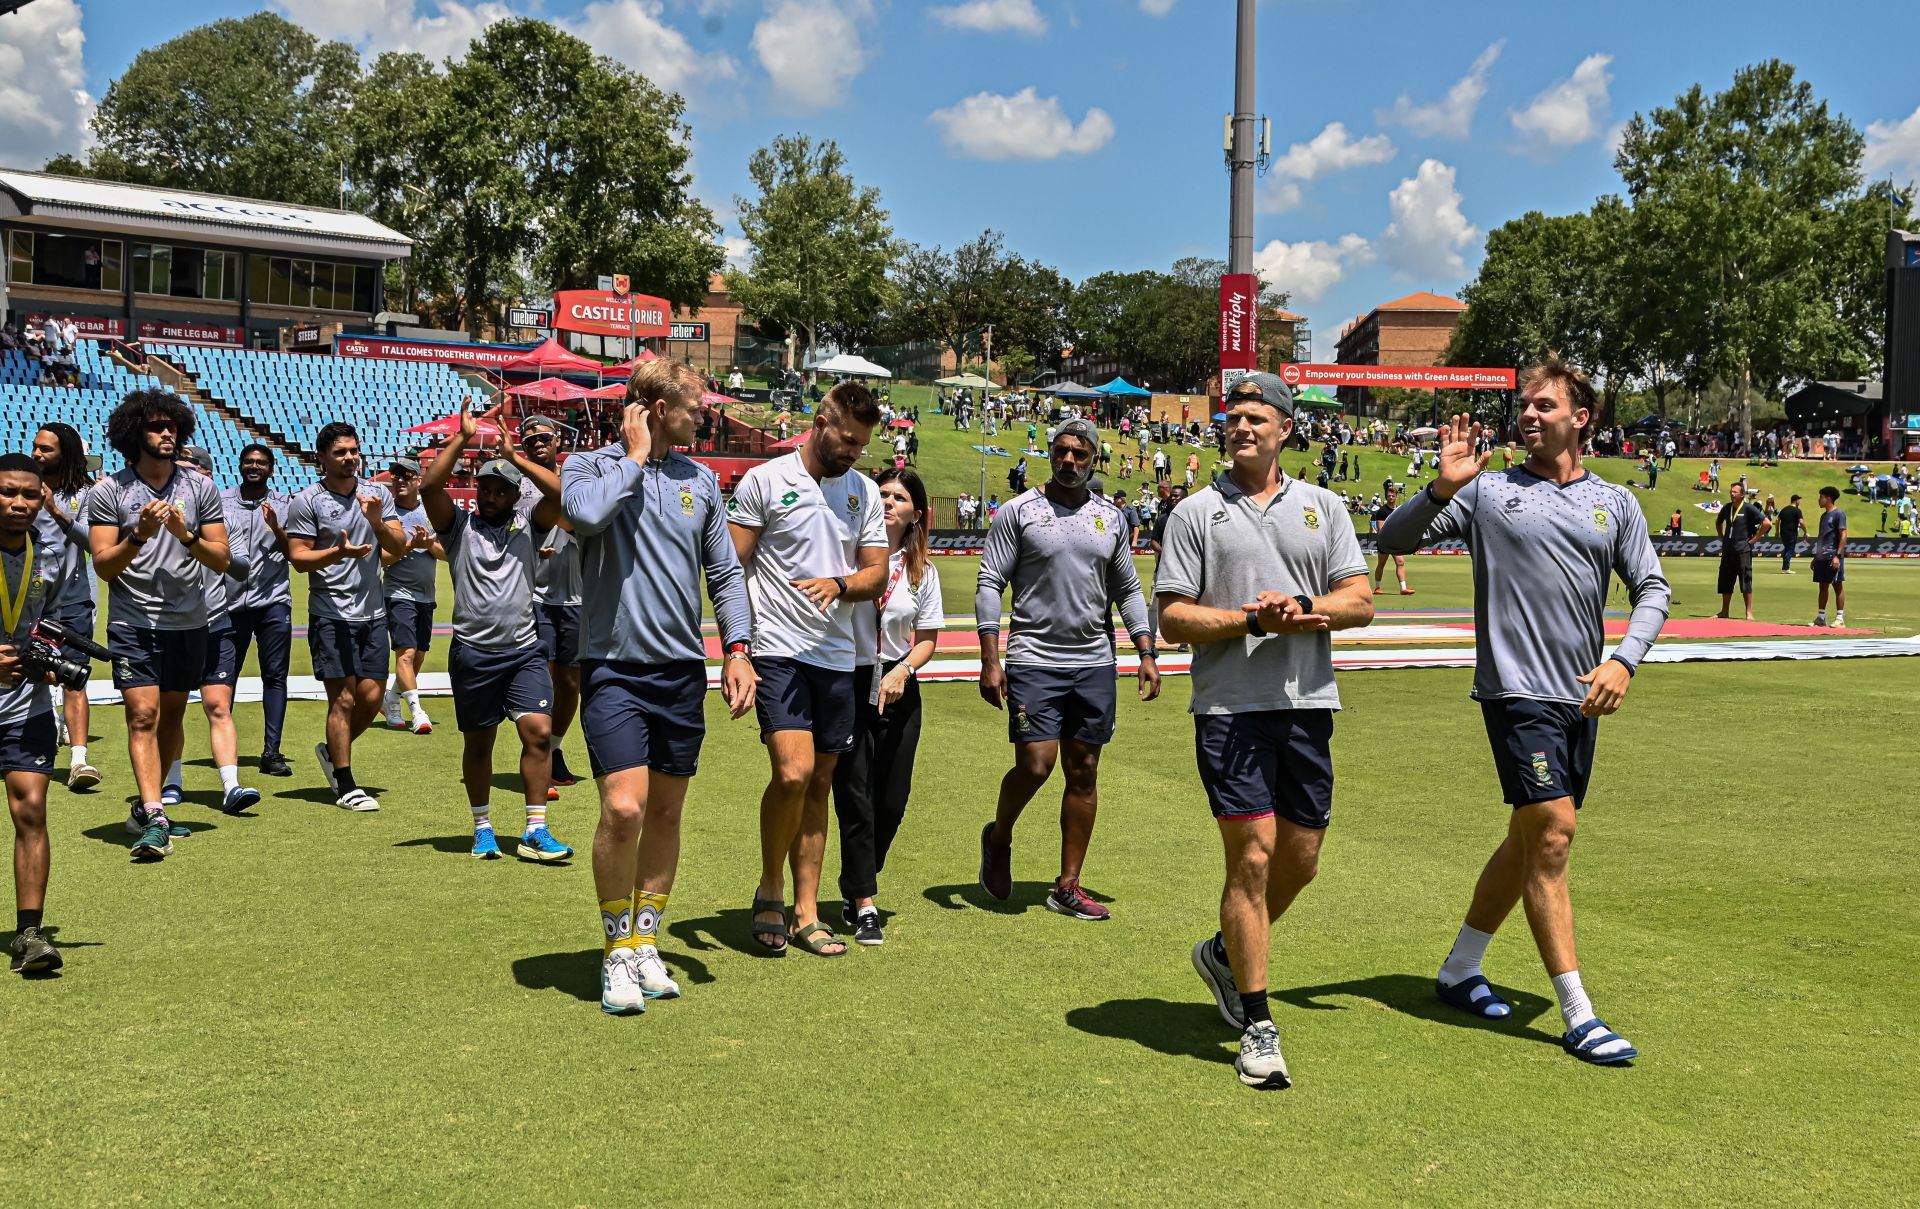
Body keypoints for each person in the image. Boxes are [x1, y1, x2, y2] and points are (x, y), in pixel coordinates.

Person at [1378, 357, 1671, 1067]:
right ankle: (1578, 1012)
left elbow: (1654, 589)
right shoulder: (1486, 492)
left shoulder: (1617, 503)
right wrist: (1438, 488)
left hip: (1583, 697)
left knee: (1529, 838)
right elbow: (1392, 540)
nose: (1529, 415)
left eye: (1545, 405)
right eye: (1525, 406)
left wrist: (1622, 658)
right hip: (1515, 694)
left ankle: (1458, 970)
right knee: (1553, 835)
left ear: (1582, 417)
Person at [1156, 372, 1374, 1091]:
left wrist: (1304, 605)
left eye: (1257, 417)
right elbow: (1175, 617)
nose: (1242, 426)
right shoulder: (1194, 512)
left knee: (1301, 859)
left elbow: (1361, 600)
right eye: (1233, 417)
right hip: (1229, 709)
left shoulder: (1324, 505)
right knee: (1252, 857)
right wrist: (1252, 618)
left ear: (1286, 427)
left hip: (1309, 703)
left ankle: (1222, 952)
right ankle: (1257, 1022)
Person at [564, 359, 755, 1013]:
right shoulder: (588, 468)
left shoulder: (700, 481)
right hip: (613, 668)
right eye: (691, 404)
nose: (702, 413)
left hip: (679, 672)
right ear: (649, 407)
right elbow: (586, 517)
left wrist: (737, 647)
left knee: (667, 813)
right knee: (623, 810)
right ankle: (615, 951)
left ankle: (647, 942)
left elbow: (725, 574)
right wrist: (635, 455)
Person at [976, 418, 1159, 921]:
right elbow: (991, 582)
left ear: (1094, 459)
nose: (1069, 461)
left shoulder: (1111, 518)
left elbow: (1126, 589)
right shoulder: (1020, 512)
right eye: (1061, 451)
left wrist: (1146, 651)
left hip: (1093, 662)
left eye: (1080, 454)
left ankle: (1068, 885)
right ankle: (999, 835)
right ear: (1050, 454)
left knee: (1084, 770)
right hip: (1033, 659)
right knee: (1036, 764)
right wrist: (991, 659)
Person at [729, 382, 888, 958]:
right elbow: (730, 566)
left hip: (837, 657)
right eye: (847, 439)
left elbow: (875, 573)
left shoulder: (864, 492)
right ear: (820, 420)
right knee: (793, 774)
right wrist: (736, 648)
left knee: (821, 783)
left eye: (862, 444)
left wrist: (840, 585)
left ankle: (805, 910)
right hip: (777, 648)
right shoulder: (765, 481)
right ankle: (770, 888)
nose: (853, 451)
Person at [417, 399, 573, 862]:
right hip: (474, 653)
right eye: (483, 489)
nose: (489, 497)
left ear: (513, 494)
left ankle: (536, 829)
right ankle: (483, 826)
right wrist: (462, 437)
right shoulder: (458, 526)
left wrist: (517, 457)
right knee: (479, 742)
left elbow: (562, 496)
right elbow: (429, 488)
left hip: (524, 651)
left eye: (499, 490)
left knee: (539, 734)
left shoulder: (531, 526)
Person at [88, 390, 231, 860]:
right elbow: (105, 566)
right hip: (133, 623)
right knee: (143, 716)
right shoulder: (110, 490)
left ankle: (153, 801)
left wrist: (184, 534)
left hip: (190, 622)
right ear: (134, 433)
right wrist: (139, 535)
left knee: (172, 715)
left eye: (172, 425)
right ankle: (154, 813)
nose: (166, 433)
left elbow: (221, 559)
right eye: (155, 426)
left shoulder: (200, 488)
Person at [832, 467, 944, 947]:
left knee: (892, 801)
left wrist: (903, 671)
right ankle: (865, 902)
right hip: (851, 681)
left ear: (917, 512)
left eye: (900, 497)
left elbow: (928, 639)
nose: (889, 502)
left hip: (899, 684)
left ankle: (858, 877)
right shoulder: (849, 555)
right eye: (882, 494)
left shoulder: (924, 572)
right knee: (854, 796)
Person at [284, 423, 407, 812]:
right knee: (343, 699)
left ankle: (332, 751)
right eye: (340, 452)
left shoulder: (377, 495)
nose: (350, 457)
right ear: (321, 458)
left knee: (371, 697)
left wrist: (375, 523)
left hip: (373, 613)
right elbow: (299, 558)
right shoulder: (307, 501)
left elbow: (399, 545)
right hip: (330, 613)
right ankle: (346, 782)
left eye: (354, 450)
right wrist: (337, 554)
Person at [161, 445, 260, 816]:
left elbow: (241, 567)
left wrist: (196, 541)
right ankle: (172, 781)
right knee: (171, 711)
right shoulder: (161, 514)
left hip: (216, 622)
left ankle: (231, 785)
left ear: (208, 475)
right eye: (179, 470)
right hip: (172, 626)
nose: (184, 478)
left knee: (218, 706)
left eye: (191, 470)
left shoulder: (223, 519)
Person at [0, 454, 64, 973]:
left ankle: (30, 935)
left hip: (27, 708)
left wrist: (52, 664)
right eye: (7, 492)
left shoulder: (52, 556)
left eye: (30, 494)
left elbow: (60, 622)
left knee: (31, 812)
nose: (19, 503)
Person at [29, 422, 100, 790]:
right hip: (22, 600)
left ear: (66, 453)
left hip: (71, 600)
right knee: (21, 673)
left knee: (74, 678)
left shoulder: (88, 494)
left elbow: (94, 543)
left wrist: (55, 510)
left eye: (46, 449)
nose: (37, 454)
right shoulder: (19, 489)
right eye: (36, 447)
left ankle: (78, 762)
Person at [517, 415, 586, 790]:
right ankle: (539, 752)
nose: (537, 445)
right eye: (530, 442)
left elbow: (579, 516)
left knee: (570, 682)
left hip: (576, 595)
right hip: (535, 595)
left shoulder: (575, 476)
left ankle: (555, 747)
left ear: (558, 440)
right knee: (540, 681)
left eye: (544, 438)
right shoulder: (517, 483)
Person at [222, 444, 295, 776]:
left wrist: (276, 526)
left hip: (273, 602)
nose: (254, 467)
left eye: (261, 463)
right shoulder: (221, 503)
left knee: (275, 676)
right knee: (226, 679)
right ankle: (226, 750)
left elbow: (295, 552)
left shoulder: (286, 505)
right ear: (239, 465)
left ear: (271, 468)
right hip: (230, 603)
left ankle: (272, 752)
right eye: (249, 461)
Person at [381, 458, 441, 735]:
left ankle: (391, 699)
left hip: (426, 596)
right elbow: (380, 558)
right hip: (397, 594)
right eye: (396, 476)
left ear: (418, 480)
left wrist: (429, 545)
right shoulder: (386, 514)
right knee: (405, 654)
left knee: (418, 656)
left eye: (406, 475)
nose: (400, 480)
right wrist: (408, 546)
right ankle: (418, 712)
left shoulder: (430, 512)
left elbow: (448, 553)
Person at [1715, 482, 1769, 622]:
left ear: (1742, 494)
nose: (1732, 494)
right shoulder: (1727, 508)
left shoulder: (1749, 508)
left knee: (1745, 579)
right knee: (1726, 579)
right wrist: (1722, 537)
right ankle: (1724, 611)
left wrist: (1755, 539)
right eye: (1731, 491)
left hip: (1743, 550)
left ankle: (1749, 612)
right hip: (1728, 550)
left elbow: (1767, 523)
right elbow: (1718, 522)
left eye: (1735, 492)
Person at [1811, 486, 1848, 627]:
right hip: (1822, 556)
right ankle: (1821, 617)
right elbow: (1822, 537)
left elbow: (1843, 534)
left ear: (1828, 498)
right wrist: (1816, 556)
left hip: (1833, 555)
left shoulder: (1839, 514)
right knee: (1822, 586)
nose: (1819, 500)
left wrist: (1837, 555)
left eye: (1821, 497)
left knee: (1837, 586)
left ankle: (1840, 618)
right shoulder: (1823, 516)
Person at [1370, 483, 1412, 596]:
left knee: (1400, 562)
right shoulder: (1382, 511)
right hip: (1385, 541)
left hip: (1396, 541)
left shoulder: (1399, 510)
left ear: (1396, 497)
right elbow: (1381, 529)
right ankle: (1377, 587)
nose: (1391, 497)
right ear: (1386, 497)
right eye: (1389, 496)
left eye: (1393, 496)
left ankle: (1403, 588)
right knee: (1381, 564)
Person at [1777, 494, 1805, 573]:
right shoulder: (1797, 510)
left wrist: (1777, 531)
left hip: (1783, 532)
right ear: (1796, 500)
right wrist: (1806, 531)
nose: (1799, 502)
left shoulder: (1784, 509)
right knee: (1790, 549)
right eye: (1799, 500)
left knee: (1787, 549)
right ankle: (1786, 568)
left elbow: (1777, 520)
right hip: (1792, 532)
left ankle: (1784, 567)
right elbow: (1801, 522)